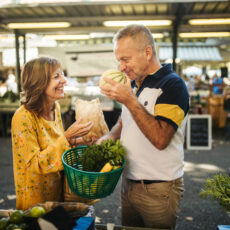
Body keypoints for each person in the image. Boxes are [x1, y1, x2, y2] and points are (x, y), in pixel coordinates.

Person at [98, 24, 189, 229]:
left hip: (159, 189)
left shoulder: (173, 85)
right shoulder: (133, 85)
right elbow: (123, 123)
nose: (121, 67)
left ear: (147, 52)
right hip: (129, 184)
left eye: (125, 59)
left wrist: (129, 100)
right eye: (118, 60)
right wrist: (106, 139)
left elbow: (160, 138)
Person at [11, 56, 94, 211]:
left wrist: (78, 141)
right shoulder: (23, 117)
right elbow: (34, 165)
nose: (64, 81)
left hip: (57, 193)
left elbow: (55, 144)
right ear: (39, 83)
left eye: (62, 74)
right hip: (35, 203)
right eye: (57, 76)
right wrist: (68, 136)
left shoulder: (54, 108)